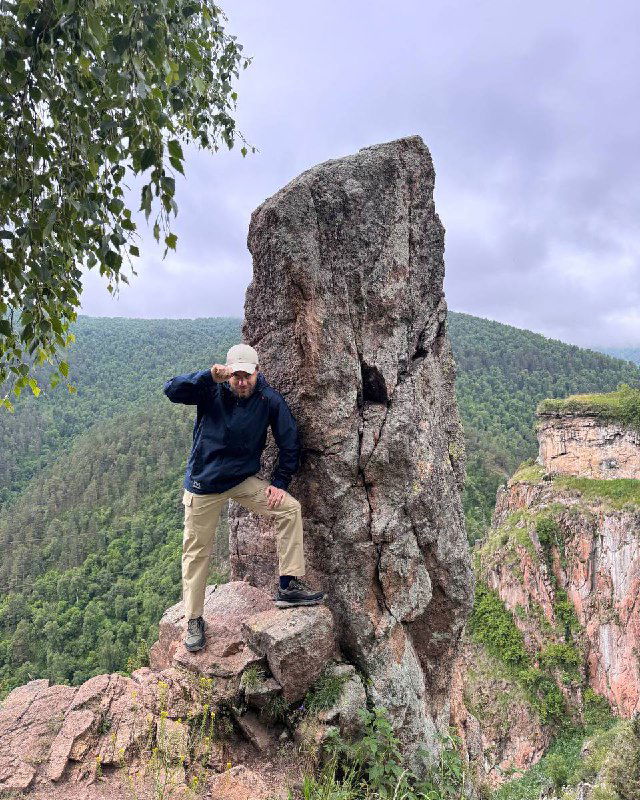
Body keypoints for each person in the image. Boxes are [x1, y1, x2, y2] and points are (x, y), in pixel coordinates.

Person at [163, 342, 326, 652]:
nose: (241, 382)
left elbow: (289, 441)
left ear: (257, 373)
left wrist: (279, 482)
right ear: (228, 373)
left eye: (246, 376)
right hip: (204, 484)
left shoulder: (268, 399)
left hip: (241, 480)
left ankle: (288, 585)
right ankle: (194, 619)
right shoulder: (211, 390)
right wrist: (208, 376)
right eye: (235, 376)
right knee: (197, 552)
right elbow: (171, 390)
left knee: (289, 509)